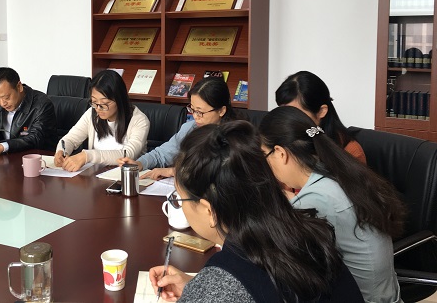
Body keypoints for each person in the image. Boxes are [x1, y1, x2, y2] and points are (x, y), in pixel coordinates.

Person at [149, 121, 365, 302]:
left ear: (208, 210)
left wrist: (202, 292)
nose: (181, 205)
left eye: (180, 199)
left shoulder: (222, 284)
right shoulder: (310, 233)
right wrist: (197, 288)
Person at [259, 106, 405, 303]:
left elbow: (288, 267)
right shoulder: (342, 174)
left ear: (280, 153)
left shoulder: (315, 200)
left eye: (264, 155)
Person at [117, 77, 239, 180]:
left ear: (221, 111)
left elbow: (219, 172)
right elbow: (162, 154)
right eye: (192, 109)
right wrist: (140, 163)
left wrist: (174, 171)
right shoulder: (191, 128)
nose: (195, 117)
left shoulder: (237, 136)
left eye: (200, 112)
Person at [53, 70, 149, 172]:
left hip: (126, 177)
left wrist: (87, 156)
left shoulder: (139, 120)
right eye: (94, 102)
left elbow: (127, 155)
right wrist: (61, 151)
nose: (98, 108)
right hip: (96, 176)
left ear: (119, 99)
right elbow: (70, 139)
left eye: (104, 103)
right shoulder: (92, 113)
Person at [275, 70, 366, 163]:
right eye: (283, 112)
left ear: (322, 111)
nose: (287, 119)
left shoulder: (349, 151)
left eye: (296, 113)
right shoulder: (279, 140)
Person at [0, 67, 57, 156]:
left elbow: (35, 138)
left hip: (37, 158)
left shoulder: (42, 104)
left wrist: (2, 147)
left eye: (6, 97)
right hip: (8, 157)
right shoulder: (0, 105)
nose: (2, 103)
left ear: (19, 87)